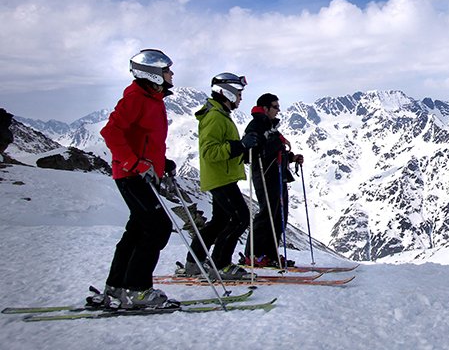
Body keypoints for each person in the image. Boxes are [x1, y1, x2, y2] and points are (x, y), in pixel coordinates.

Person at [96, 49, 177, 309]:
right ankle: (137, 291)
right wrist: (136, 163)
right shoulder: (136, 99)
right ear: (152, 73)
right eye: (167, 70)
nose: (171, 74)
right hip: (132, 175)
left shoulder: (152, 99)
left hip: (139, 173)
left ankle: (117, 286)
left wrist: (163, 163)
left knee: (138, 230)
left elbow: (145, 140)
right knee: (157, 228)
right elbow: (110, 132)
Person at [180, 72, 257, 280]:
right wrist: (240, 145)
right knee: (240, 217)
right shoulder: (214, 117)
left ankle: (194, 262)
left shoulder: (219, 114)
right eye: (239, 93)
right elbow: (209, 152)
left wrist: (241, 149)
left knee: (219, 221)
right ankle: (220, 265)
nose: (241, 98)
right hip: (220, 178)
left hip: (221, 176)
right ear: (228, 93)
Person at [241, 93, 304, 268]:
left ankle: (269, 254)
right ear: (265, 108)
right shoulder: (256, 126)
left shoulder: (269, 126)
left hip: (277, 174)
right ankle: (253, 255)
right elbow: (251, 153)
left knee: (278, 216)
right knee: (267, 214)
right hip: (265, 175)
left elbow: (275, 150)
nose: (278, 111)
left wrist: (291, 158)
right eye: (275, 107)